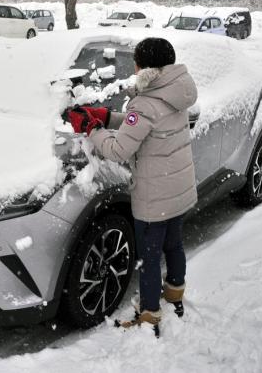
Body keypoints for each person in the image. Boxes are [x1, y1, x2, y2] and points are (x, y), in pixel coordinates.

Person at [68, 37, 198, 331]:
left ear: (144, 67)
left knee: (149, 258)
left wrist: (91, 128)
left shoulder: (145, 102)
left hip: (154, 198)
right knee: (174, 245)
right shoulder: (175, 92)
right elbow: (143, 126)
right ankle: (175, 291)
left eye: (136, 62)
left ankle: (150, 313)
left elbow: (118, 150)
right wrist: (108, 117)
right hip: (178, 189)